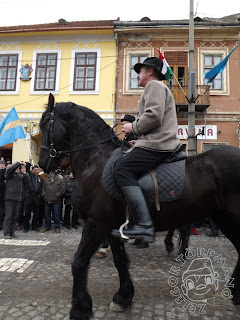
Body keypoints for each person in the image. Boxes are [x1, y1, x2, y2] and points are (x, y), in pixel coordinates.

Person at [112, 57, 181, 243]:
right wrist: (140, 140)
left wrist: (133, 128)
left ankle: (143, 224)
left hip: (159, 144)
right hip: (155, 141)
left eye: (140, 71)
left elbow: (154, 116)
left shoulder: (154, 86)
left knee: (121, 169)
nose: (137, 75)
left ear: (150, 71)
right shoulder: (156, 88)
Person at [3, 162, 27, 239]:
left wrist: (24, 174)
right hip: (10, 198)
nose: (18, 168)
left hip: (18, 199)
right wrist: (18, 163)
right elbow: (10, 169)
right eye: (17, 167)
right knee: (8, 217)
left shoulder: (20, 175)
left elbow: (26, 183)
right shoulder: (9, 174)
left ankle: (12, 232)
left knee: (14, 217)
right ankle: (6, 233)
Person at [23, 165, 44, 232]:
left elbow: (42, 186)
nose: (36, 171)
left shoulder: (40, 178)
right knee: (27, 212)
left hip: (37, 197)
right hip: (29, 196)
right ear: (32, 170)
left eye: (37, 170)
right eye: (35, 170)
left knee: (36, 212)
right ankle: (26, 227)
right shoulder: (29, 176)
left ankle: (34, 226)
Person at [0, 160, 6, 231]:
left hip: (4, 195)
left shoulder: (6, 172)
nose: (2, 166)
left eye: (3, 165)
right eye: (1, 165)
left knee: (2, 211)